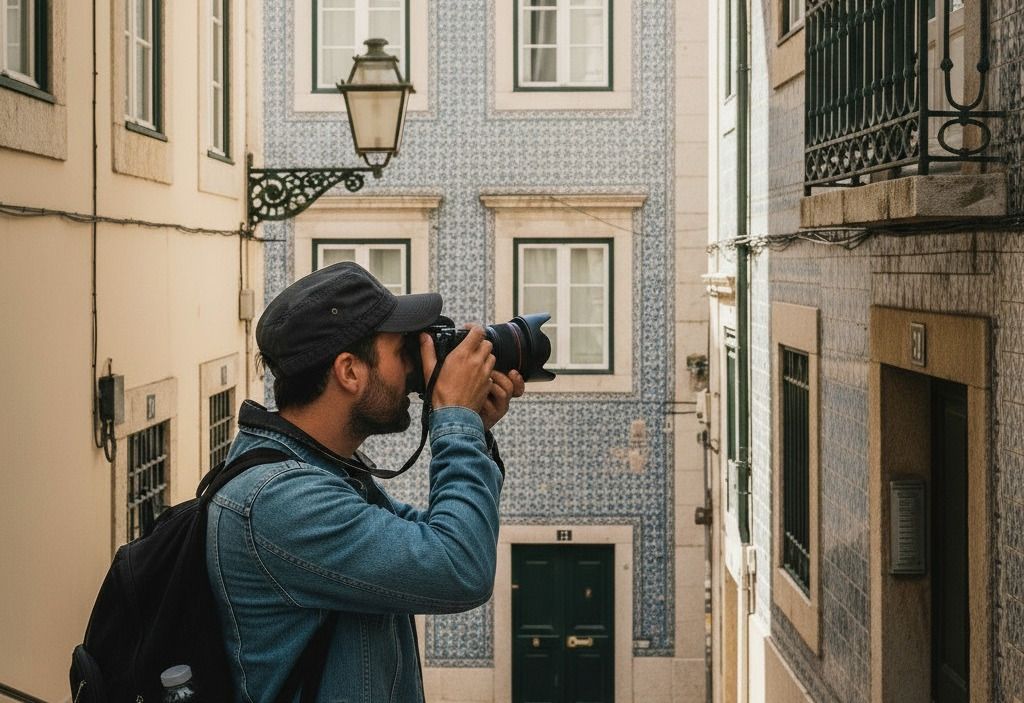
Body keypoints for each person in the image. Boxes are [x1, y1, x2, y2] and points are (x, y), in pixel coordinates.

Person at [206, 261, 524, 702]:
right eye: (402, 352)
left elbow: (435, 535)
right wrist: (456, 420)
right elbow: (459, 566)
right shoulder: (279, 500)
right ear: (350, 372)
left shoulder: (321, 469)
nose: (416, 369)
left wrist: (475, 431)